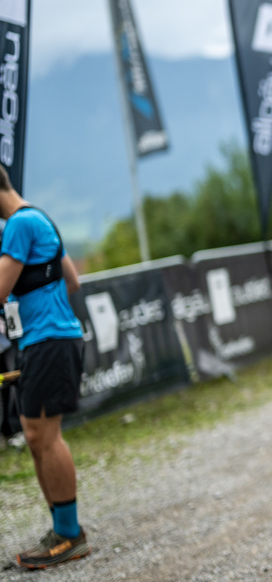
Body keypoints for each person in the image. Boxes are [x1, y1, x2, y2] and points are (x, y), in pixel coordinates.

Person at [0, 165, 89, 568]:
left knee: (44, 436)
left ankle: (69, 535)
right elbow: (72, 280)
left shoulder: (19, 224)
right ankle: (61, 530)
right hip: (49, 339)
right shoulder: (39, 217)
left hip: (49, 341)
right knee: (37, 435)